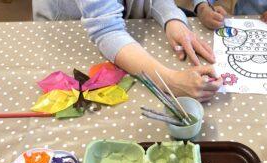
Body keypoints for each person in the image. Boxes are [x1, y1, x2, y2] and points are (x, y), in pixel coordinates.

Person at [33, 0, 222, 102]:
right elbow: (107, 30)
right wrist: (169, 81)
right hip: (68, 32)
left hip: (124, 22)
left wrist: (173, 20)